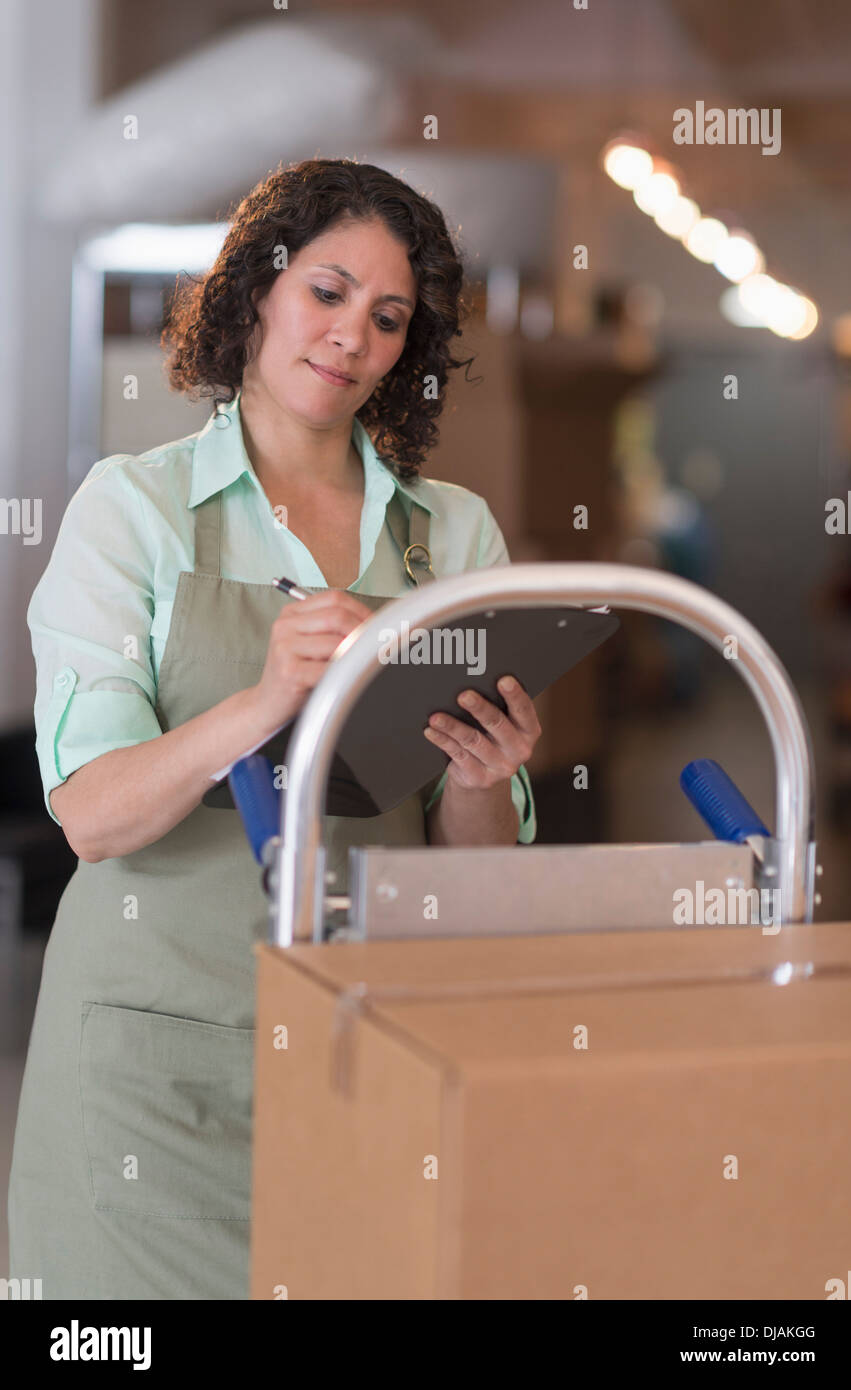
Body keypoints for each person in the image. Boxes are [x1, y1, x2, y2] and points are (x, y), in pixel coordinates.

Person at [7, 159, 541, 1300]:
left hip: (375, 1053)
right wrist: (262, 701)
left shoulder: (452, 537)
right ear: (258, 287)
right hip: (152, 1078)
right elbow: (94, 816)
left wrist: (480, 774)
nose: (353, 334)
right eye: (329, 291)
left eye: (389, 317)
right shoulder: (134, 509)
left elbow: (476, 872)